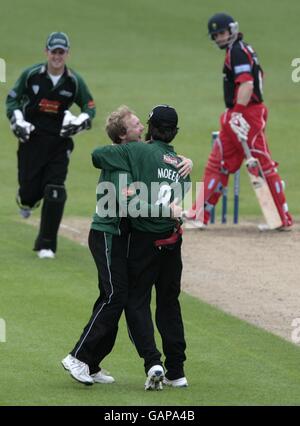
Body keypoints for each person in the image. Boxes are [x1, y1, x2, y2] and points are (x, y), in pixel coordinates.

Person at [62, 105, 191, 390]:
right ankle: (77, 357)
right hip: (108, 234)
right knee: (115, 297)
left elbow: (151, 155)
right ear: (123, 135)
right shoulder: (120, 160)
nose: (141, 128)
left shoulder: (133, 154)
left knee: (114, 298)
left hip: (121, 237)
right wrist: (166, 210)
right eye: (135, 125)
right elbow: (126, 204)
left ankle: (92, 363)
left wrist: (181, 158)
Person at [184, 13, 292, 229]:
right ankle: (198, 214)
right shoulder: (240, 50)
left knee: (261, 164)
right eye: (215, 35)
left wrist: (237, 114)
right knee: (218, 163)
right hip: (239, 112)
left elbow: (247, 84)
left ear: (233, 30)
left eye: (221, 33)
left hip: (245, 113)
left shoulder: (237, 52)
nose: (219, 38)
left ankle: (281, 219)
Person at [6, 31, 96, 258]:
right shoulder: (32, 75)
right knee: (29, 193)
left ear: (67, 54)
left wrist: (81, 121)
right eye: (53, 51)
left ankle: (46, 244)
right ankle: (27, 201)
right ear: (46, 52)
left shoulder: (73, 81)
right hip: (31, 140)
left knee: (55, 190)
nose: (57, 56)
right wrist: (17, 119)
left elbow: (89, 107)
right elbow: (12, 100)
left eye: (61, 52)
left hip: (59, 142)